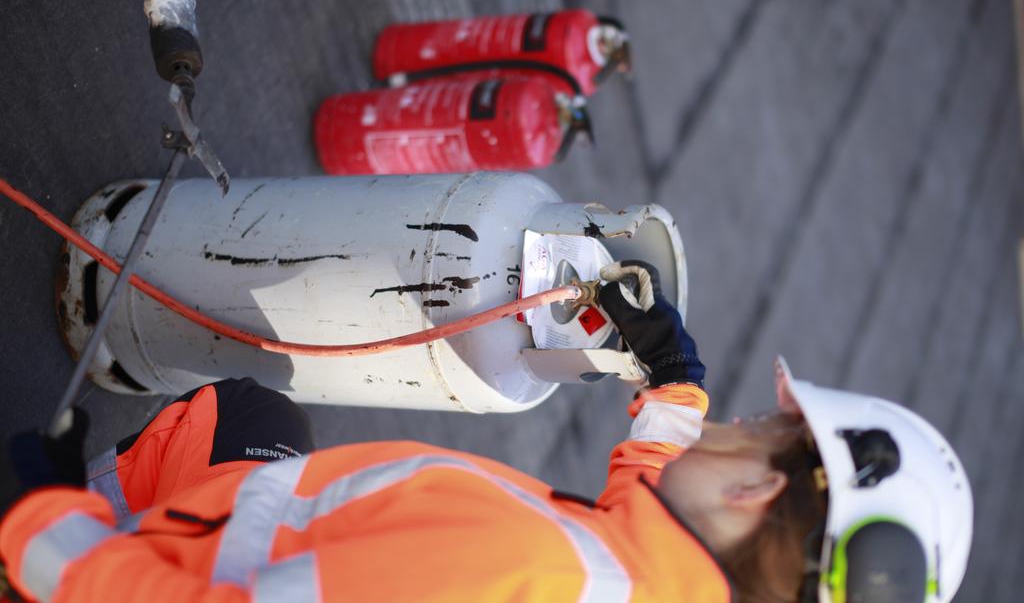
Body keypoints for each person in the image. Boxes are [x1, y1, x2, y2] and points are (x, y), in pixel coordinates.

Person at [0, 262, 972, 602]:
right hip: (244, 542)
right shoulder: (652, 577)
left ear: (756, 489)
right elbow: (654, 492)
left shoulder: (518, 567)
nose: (729, 426)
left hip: (131, 580)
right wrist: (673, 377)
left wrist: (43, 524)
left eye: (761, 426)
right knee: (248, 415)